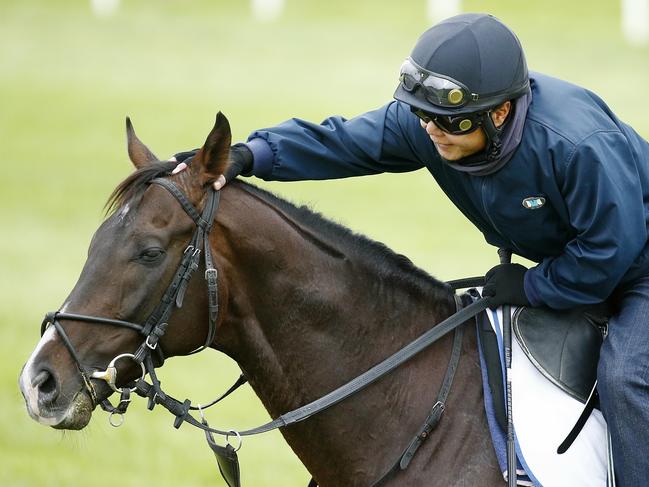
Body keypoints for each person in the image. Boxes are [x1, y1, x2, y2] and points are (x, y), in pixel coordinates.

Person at [173, 13, 649, 485]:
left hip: (634, 265)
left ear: (499, 113)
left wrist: (532, 284)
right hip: (582, 259)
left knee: (624, 379)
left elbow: (608, 255)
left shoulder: (578, 144)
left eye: (447, 121)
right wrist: (252, 155)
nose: (431, 132)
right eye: (423, 117)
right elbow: (342, 142)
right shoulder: (434, 127)